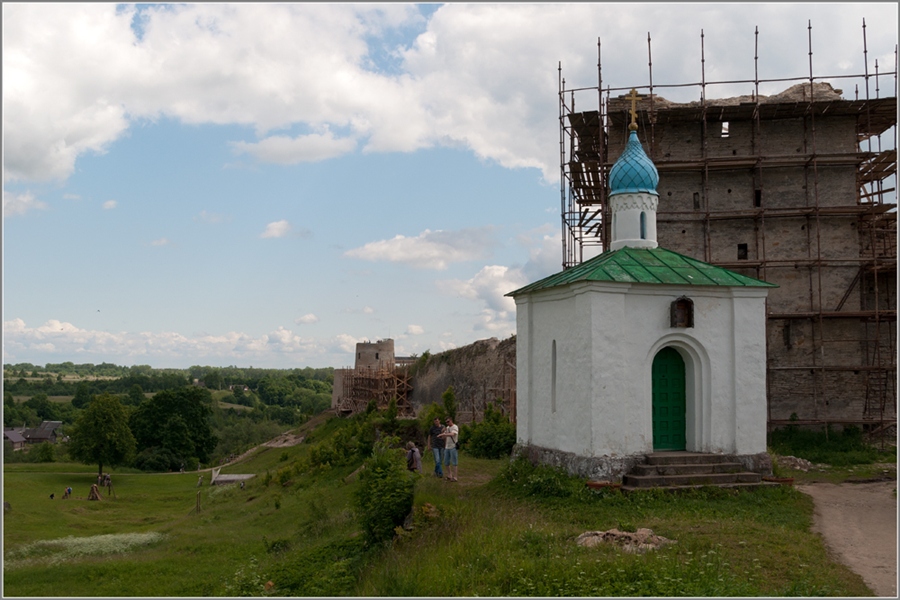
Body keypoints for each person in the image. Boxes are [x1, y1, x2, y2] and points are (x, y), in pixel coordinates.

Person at [439, 416, 459, 482]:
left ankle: (455, 477)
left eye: (448, 421)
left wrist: (444, 434)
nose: (447, 423)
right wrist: (442, 434)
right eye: (446, 422)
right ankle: (449, 475)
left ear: (451, 420)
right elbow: (444, 437)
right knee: (446, 462)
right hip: (447, 447)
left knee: (454, 462)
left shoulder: (455, 427)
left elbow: (452, 434)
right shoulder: (447, 428)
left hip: (453, 447)